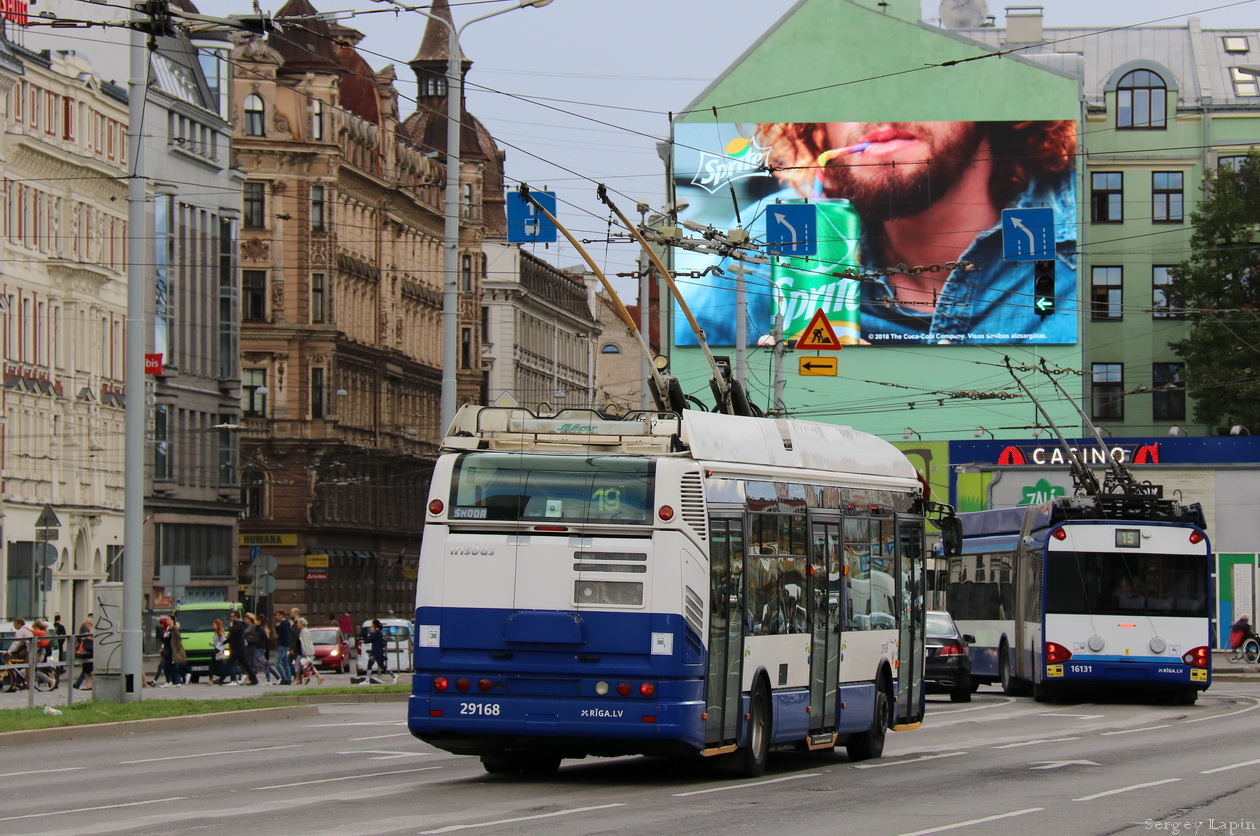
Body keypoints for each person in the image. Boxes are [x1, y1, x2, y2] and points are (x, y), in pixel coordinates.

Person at [676, 119, 1077, 346]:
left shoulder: (1076, 234)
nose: (882, 111)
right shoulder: (780, 234)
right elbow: (686, 386)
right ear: (815, 130)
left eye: (920, 75)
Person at [361, 619, 397, 685]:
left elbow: (369, 639)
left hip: (376, 652)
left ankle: (367, 680)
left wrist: (371, 633)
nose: (371, 627)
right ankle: (393, 676)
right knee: (381, 666)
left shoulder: (377, 633)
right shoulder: (378, 633)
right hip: (377, 652)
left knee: (371, 665)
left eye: (372, 626)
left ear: (375, 626)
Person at [227, 610, 256, 686]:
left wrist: (230, 626)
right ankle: (253, 678)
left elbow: (234, 632)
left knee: (230, 663)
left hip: (241, 646)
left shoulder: (239, 624)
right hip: (240, 646)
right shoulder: (240, 624)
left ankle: (232, 680)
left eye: (231, 616)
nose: (230, 618)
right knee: (244, 664)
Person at [296, 617, 325, 685]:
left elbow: (305, 643)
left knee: (307, 666)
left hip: (307, 652)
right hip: (306, 652)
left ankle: (309, 678)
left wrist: (305, 653)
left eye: (298, 623)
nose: (297, 624)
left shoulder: (304, 631)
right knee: (308, 666)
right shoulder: (303, 631)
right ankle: (318, 677)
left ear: (302, 624)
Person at [74, 616, 94, 690]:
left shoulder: (90, 629)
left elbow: (92, 638)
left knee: (87, 668)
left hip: (88, 649)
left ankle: (87, 684)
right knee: (86, 669)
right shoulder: (89, 628)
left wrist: (88, 638)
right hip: (89, 648)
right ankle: (88, 685)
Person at [273, 610, 293, 685]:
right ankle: (288, 679)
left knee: (276, 662)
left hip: (283, 645)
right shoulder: (282, 623)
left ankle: (284, 678)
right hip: (284, 644)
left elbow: (286, 635)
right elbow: (279, 633)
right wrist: (277, 627)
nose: (276, 617)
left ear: (281, 615)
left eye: (277, 615)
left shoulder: (285, 623)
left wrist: (283, 644)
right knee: (285, 663)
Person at [209, 618, 230, 684]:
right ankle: (215, 677)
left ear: (218, 625)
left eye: (214, 625)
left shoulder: (220, 632)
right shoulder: (216, 632)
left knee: (212, 664)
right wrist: (212, 644)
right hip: (216, 649)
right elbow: (217, 642)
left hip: (218, 650)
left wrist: (220, 649)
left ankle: (211, 678)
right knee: (218, 665)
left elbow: (223, 642)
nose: (213, 626)